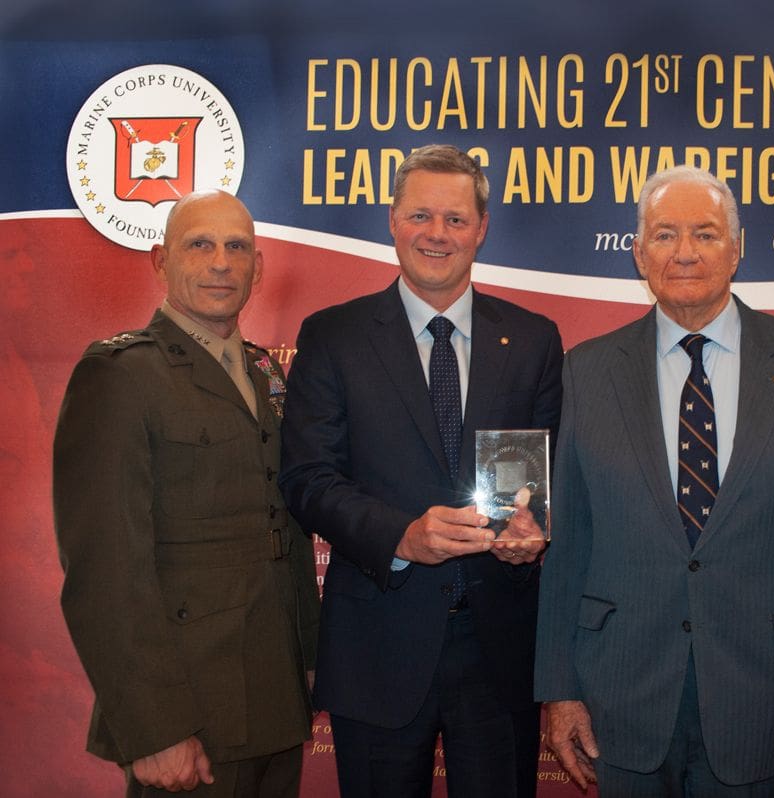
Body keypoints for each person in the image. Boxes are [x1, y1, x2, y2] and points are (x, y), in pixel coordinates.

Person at [535, 166, 774, 796]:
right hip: (619, 685)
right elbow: (568, 540)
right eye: (664, 235)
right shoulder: (588, 369)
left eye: (706, 234)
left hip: (762, 687)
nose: (685, 252)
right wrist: (558, 688)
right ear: (638, 253)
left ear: (738, 248)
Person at [278, 144, 563, 798]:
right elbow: (306, 478)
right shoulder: (332, 336)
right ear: (393, 221)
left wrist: (535, 530)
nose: (438, 234)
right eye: (421, 216)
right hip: (378, 641)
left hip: (499, 650)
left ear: (482, 228)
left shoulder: (533, 339)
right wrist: (399, 537)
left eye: (456, 219)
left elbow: (557, 470)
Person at [53, 189, 320, 797]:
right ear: (160, 260)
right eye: (199, 244)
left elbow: (286, 532)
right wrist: (154, 730)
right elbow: (104, 570)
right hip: (189, 712)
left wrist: (308, 660)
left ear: (259, 267)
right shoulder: (121, 374)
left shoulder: (263, 374)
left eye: (237, 247)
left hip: (275, 700)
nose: (221, 262)